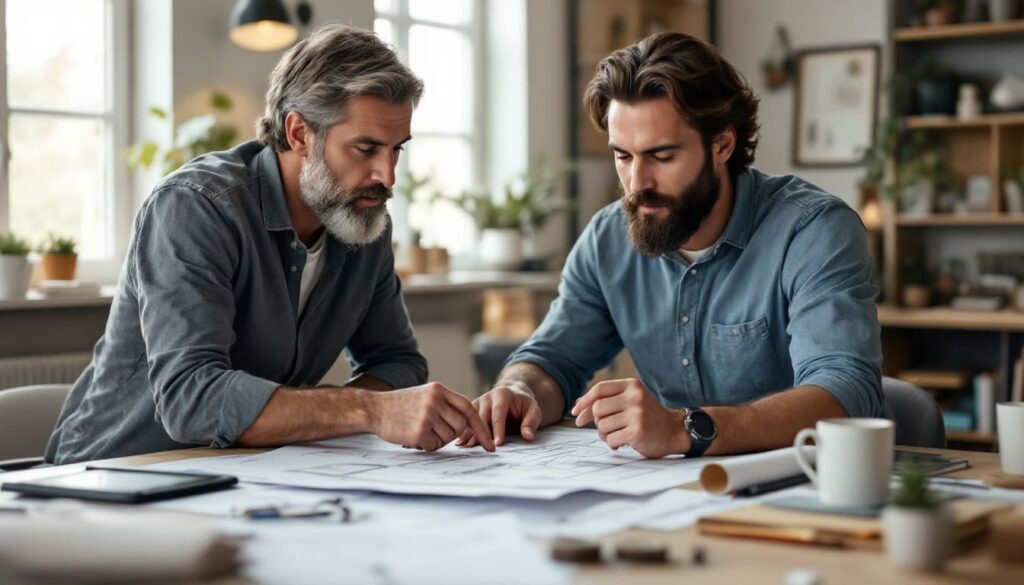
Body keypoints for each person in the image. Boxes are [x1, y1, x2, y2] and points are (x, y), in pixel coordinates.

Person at [47, 24, 494, 465]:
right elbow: (193, 401)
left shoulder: (362, 218)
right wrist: (370, 410)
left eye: (397, 149)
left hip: (246, 474)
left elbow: (398, 362)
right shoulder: (196, 208)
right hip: (109, 480)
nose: (387, 176)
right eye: (366, 148)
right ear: (299, 133)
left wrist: (339, 413)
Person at [461, 32, 881, 459]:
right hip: (673, 495)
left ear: (722, 144)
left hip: (801, 484)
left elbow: (845, 393)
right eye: (623, 156)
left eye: (661, 157)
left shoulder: (812, 230)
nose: (636, 183)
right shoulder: (607, 240)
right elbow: (552, 360)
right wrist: (519, 388)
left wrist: (688, 428)